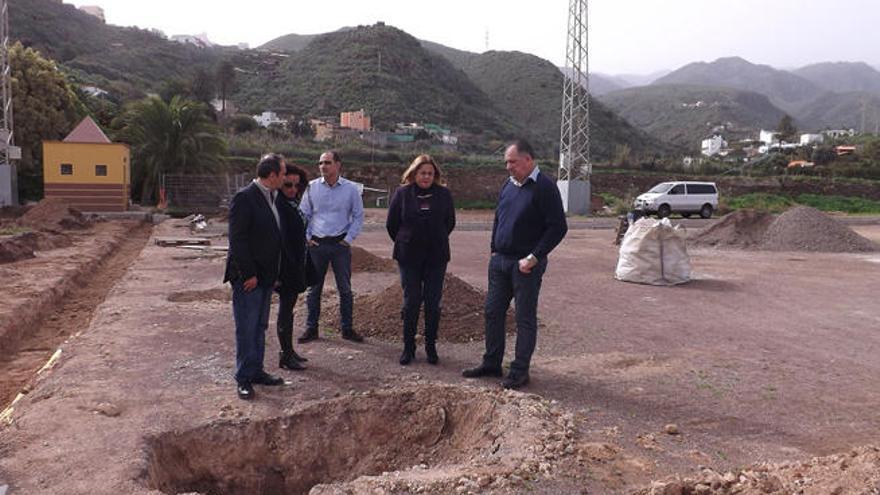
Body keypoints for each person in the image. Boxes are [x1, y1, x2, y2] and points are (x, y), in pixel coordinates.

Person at [462, 139, 568, 389]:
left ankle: (519, 371)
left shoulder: (545, 187)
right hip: (500, 262)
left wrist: (534, 257)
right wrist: (493, 251)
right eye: (506, 162)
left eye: (513, 162)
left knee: (524, 318)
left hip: (525, 265)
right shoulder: (508, 186)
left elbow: (558, 227)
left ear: (528, 160)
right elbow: (499, 218)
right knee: (492, 312)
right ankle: (491, 363)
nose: (508, 167)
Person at [223, 153, 287, 400]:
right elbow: (238, 240)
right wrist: (248, 274)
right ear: (271, 175)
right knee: (246, 328)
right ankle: (243, 378)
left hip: (266, 277)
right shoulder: (245, 198)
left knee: (259, 326)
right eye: (282, 174)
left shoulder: (271, 196)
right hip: (249, 278)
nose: (284, 177)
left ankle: (256, 370)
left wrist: (273, 274)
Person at [386, 154, 456, 365]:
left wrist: (434, 238)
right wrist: (406, 240)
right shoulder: (402, 193)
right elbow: (392, 225)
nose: (426, 176)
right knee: (411, 302)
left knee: (433, 304)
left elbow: (449, 222)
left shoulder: (444, 194)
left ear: (435, 176)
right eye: (422, 172)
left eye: (430, 173)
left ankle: (431, 347)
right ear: (414, 173)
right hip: (409, 257)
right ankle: (408, 348)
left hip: (436, 256)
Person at [298, 150, 366, 343]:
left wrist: (348, 239)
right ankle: (311, 329)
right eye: (320, 163)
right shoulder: (311, 188)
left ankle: (347, 329)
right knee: (313, 289)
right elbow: (303, 214)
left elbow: (359, 216)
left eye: (327, 162)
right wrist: (307, 237)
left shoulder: (351, 189)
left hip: (340, 245)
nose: (323, 166)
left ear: (338, 165)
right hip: (317, 245)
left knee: (344, 289)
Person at [275, 162, 311, 371]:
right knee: (285, 311)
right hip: (286, 267)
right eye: (288, 185)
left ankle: (289, 351)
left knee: (289, 310)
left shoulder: (292, 202)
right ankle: (285, 354)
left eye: (297, 185)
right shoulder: (279, 204)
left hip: (297, 263)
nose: (293, 189)